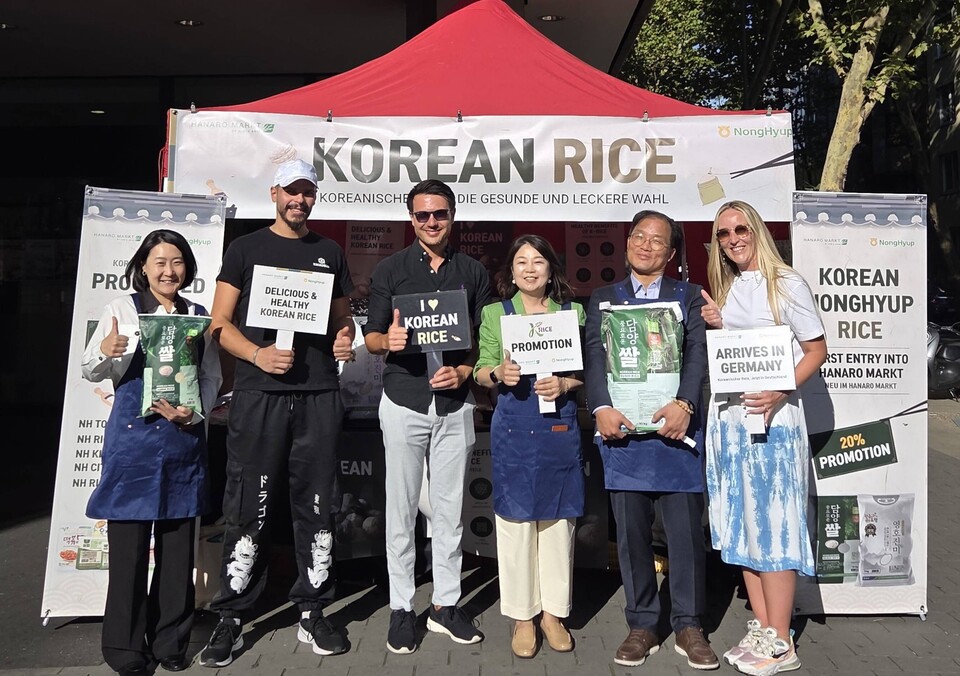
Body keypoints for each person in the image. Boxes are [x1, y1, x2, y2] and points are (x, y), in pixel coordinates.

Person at [198, 159, 356, 667]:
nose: (300, 200)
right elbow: (218, 325)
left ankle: (313, 608)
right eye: (292, 191)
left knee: (319, 502)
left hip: (317, 395)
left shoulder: (328, 252)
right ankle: (232, 615)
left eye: (307, 192)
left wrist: (344, 338)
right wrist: (258, 355)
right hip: (258, 395)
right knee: (250, 500)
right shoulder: (245, 249)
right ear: (273, 193)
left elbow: (342, 318)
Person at [82, 230, 222, 676]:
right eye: (159, 261)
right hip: (133, 442)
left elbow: (212, 377)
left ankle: (171, 643)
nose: (169, 270)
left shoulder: (198, 315)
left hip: (183, 441)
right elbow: (91, 368)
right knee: (128, 549)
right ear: (143, 265)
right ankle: (124, 649)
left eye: (177, 261)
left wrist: (193, 413)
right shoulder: (123, 309)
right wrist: (106, 351)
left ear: (188, 268)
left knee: (178, 549)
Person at [584, 210, 720, 671]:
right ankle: (642, 622)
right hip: (623, 437)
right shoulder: (602, 298)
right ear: (626, 245)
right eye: (638, 237)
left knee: (684, 537)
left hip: (677, 434)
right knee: (632, 538)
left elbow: (698, 354)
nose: (645, 245)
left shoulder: (687, 297)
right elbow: (594, 356)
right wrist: (601, 406)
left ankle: (688, 623)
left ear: (671, 253)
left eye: (656, 241)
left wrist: (685, 403)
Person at [363, 179, 491, 654]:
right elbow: (372, 335)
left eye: (439, 214)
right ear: (410, 219)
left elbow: (482, 341)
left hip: (455, 405)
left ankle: (445, 605)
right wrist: (386, 343)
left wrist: (463, 371)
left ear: (452, 216)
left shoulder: (473, 271)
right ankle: (401, 607)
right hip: (403, 400)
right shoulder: (391, 270)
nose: (431, 222)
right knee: (400, 509)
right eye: (422, 215)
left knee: (449, 510)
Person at [700, 200, 827, 676]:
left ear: (756, 230)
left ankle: (782, 640)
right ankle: (764, 627)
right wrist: (719, 323)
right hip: (731, 423)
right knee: (742, 524)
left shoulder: (786, 282)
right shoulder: (729, 288)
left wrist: (779, 391)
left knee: (774, 523)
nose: (732, 238)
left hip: (774, 424)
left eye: (740, 228)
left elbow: (816, 349)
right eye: (722, 233)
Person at [473, 235, 585, 659]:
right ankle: (523, 616)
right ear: (511, 271)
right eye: (522, 262)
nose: (530, 269)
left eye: (539, 261)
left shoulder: (571, 313)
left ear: (551, 269)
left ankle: (554, 614)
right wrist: (498, 372)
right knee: (516, 522)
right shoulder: (494, 314)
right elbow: (480, 372)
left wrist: (565, 383)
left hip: (558, 425)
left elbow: (585, 374)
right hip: (514, 429)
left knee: (558, 521)